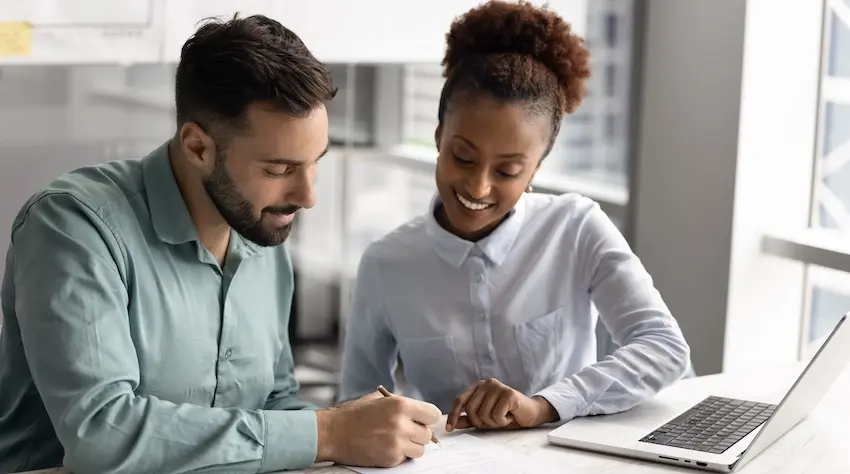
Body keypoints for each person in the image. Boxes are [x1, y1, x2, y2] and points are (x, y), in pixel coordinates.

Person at [0, 14, 440, 474]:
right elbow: (103, 434)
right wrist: (328, 432)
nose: (307, 196)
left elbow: (272, 402)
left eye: (315, 164)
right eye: (278, 169)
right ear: (197, 147)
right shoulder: (72, 226)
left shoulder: (259, 229)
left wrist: (358, 425)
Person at [339, 1, 691, 433]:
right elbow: (354, 404)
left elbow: (665, 348)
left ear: (536, 168)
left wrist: (544, 405)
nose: (478, 187)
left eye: (507, 170)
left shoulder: (576, 227)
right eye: (462, 157)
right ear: (438, 137)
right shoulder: (385, 262)